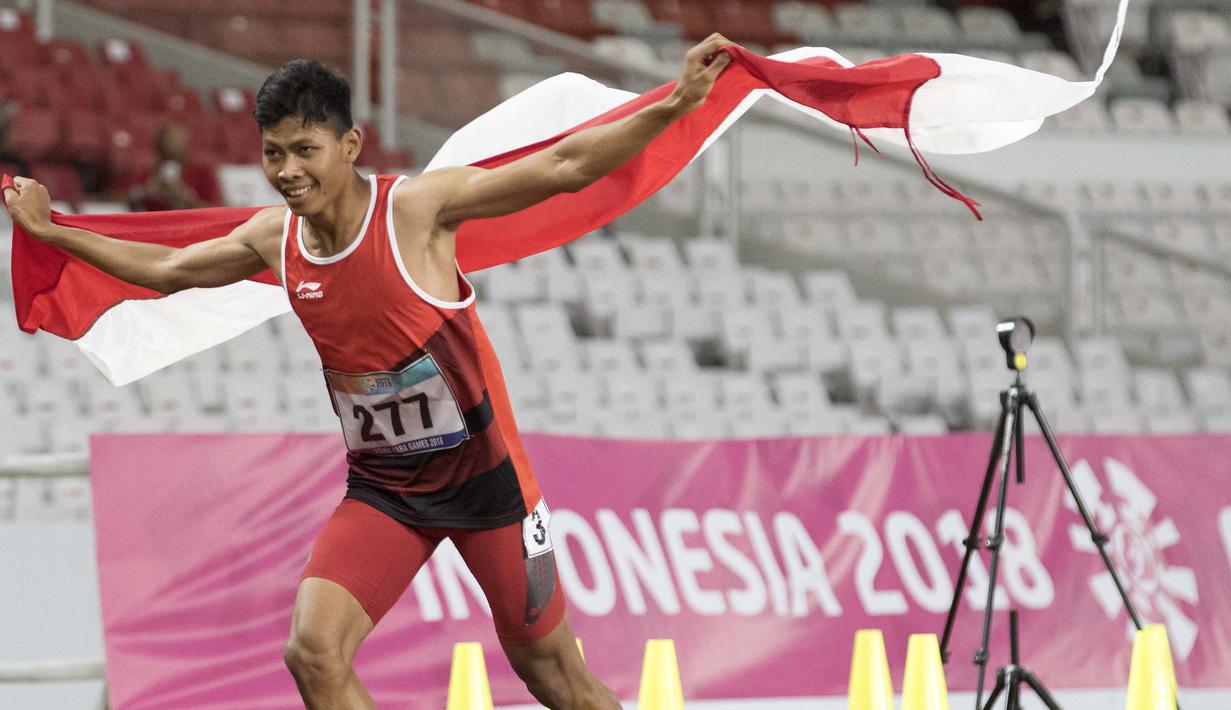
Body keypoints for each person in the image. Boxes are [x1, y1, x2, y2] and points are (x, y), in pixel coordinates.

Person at [4, 33, 733, 709]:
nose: (287, 171)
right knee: (312, 653)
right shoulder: (273, 237)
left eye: (305, 149)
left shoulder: (416, 210)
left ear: (349, 145)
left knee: (551, 673)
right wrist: (53, 230)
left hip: (489, 488)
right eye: (272, 153)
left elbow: (565, 167)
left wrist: (676, 102)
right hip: (386, 492)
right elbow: (165, 270)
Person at [130, 120, 223, 211]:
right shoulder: (147, 173)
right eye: (168, 141)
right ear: (158, 145)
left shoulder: (203, 173)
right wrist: (145, 192)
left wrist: (184, 196)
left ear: (187, 144)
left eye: (178, 141)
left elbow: (217, 210)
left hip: (190, 223)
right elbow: (121, 199)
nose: (173, 146)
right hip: (156, 224)